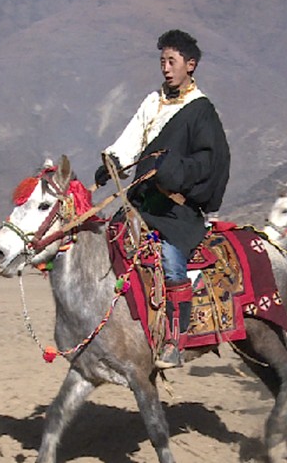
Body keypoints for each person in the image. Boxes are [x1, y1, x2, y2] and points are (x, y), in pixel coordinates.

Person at [94, 29, 231, 369]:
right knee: (108, 243)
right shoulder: (152, 102)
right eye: (162, 61)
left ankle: (175, 339)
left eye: (172, 61)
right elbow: (131, 139)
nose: (166, 68)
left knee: (170, 260)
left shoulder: (201, 110)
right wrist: (113, 161)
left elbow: (210, 161)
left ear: (190, 64)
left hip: (177, 209)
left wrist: (173, 169)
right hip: (143, 203)